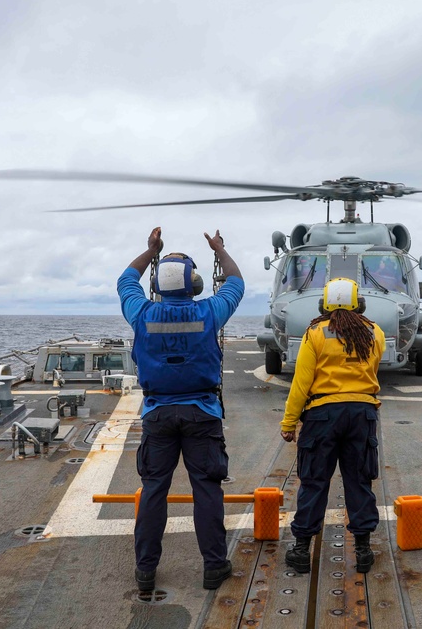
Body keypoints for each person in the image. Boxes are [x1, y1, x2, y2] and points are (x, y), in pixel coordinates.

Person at [118, 226, 243, 592]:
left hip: (157, 415)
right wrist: (219, 249)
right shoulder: (210, 312)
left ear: (159, 284)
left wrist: (150, 250)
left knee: (154, 490)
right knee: (206, 490)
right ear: (195, 284)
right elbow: (235, 281)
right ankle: (213, 567)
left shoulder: (141, 313)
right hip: (202, 414)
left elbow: (126, 279)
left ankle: (145, 572)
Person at [279, 278, 387, 574]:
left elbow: (301, 382)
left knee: (314, 481)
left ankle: (302, 549)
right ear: (359, 303)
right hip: (362, 414)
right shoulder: (374, 332)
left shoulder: (314, 333)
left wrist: (289, 421)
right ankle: (363, 550)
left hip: (321, 415)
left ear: (323, 304)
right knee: (359, 481)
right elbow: (374, 367)